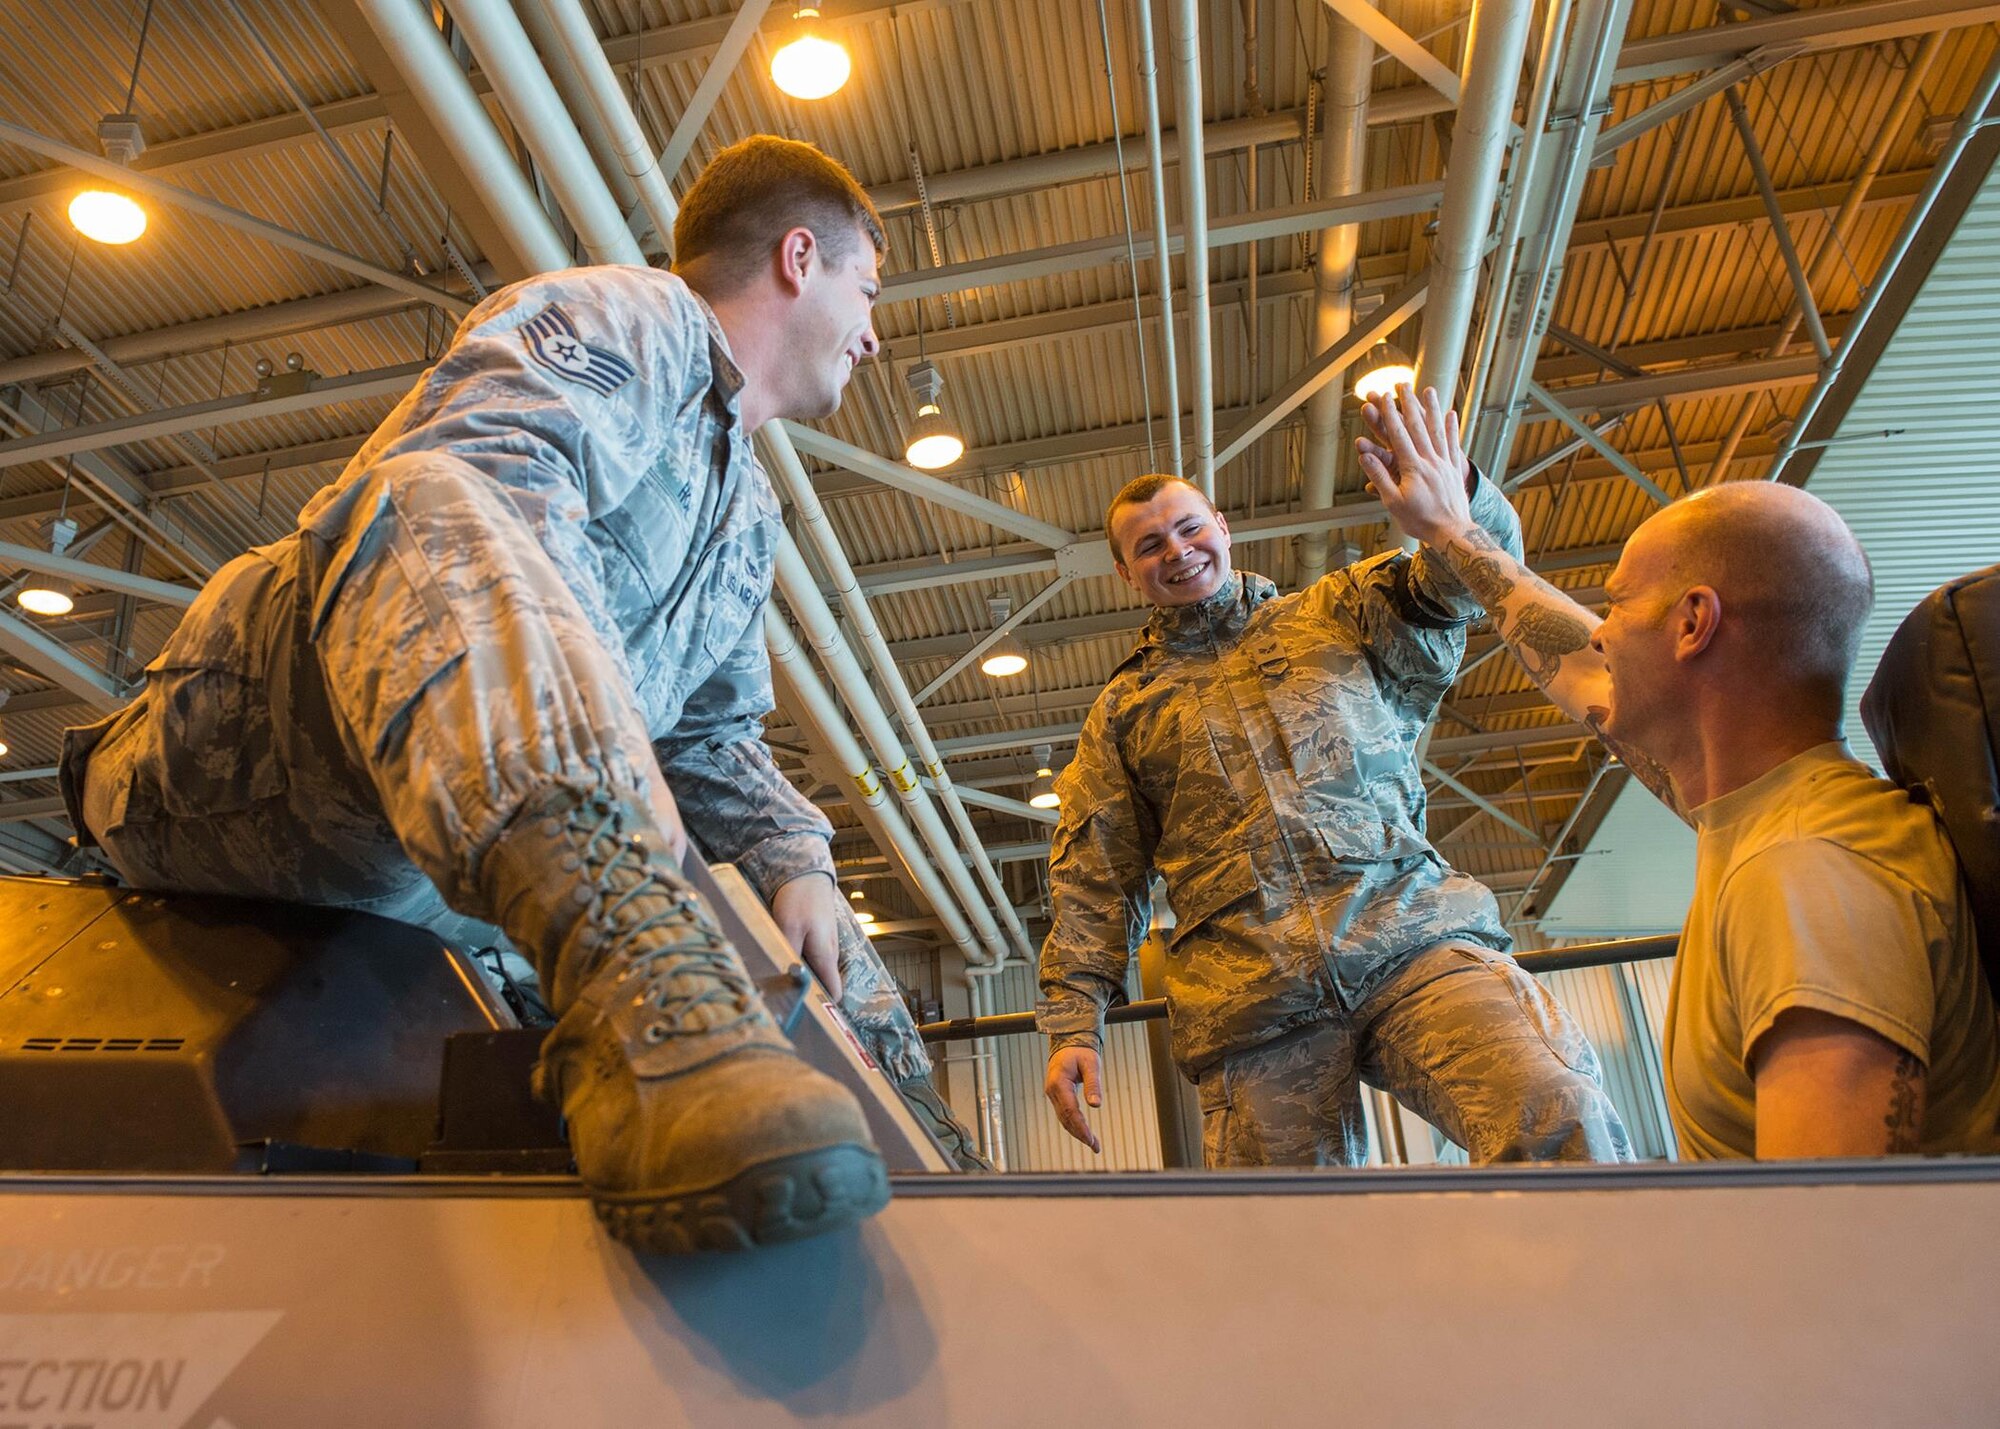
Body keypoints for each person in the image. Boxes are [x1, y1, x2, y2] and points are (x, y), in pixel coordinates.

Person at [57, 135, 980, 1252]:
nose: (875, 332)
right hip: (255, 763)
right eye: (866, 289)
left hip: (439, 853)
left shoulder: (749, 519)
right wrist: (631, 806)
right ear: (798, 257)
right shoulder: (627, 318)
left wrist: (796, 860)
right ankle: (646, 1011)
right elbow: (474, 496)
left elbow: (713, 738)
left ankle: (946, 1185)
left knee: (819, 933)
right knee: (425, 494)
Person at [1359, 383, 2000, 1159]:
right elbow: (1584, 672)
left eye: (1620, 607)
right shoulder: (1772, 813)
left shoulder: (1805, 874)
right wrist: (1457, 532)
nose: (1605, 636)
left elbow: (1836, 1249)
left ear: (1694, 624)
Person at [1037, 461, 1633, 1168]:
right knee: (1291, 1243)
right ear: (1123, 572)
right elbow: (1095, 879)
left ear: (1222, 527)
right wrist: (1074, 1025)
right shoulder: (1124, 713)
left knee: (1556, 1108)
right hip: (1254, 1004)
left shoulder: (1341, 611)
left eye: (1189, 526)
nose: (1177, 550)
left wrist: (1457, 500)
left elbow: (1462, 582)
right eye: (1149, 544)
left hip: (1410, 940)